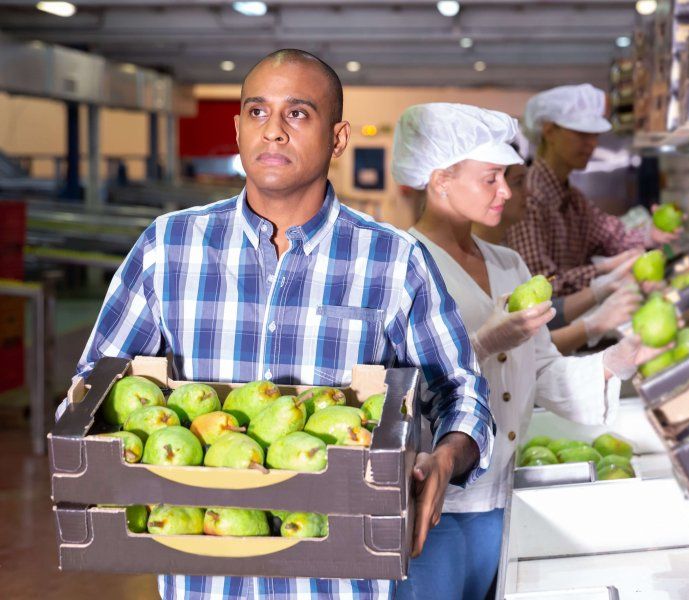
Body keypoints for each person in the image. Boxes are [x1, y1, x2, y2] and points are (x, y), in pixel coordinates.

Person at [71, 50, 495, 600]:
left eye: (297, 114)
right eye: (256, 112)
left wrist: (446, 456)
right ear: (238, 128)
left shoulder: (392, 259)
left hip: (340, 584)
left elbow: (461, 391)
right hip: (203, 580)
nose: (272, 131)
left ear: (338, 138)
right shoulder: (168, 247)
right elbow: (93, 384)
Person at [390, 103, 642, 600]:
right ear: (440, 179)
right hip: (432, 503)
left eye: (508, 177)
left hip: (506, 497)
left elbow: (543, 371)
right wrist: (484, 343)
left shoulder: (509, 265)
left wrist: (619, 360)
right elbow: (392, 391)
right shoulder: (400, 264)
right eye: (491, 179)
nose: (506, 191)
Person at [506, 84, 681, 296]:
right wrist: (603, 271)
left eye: (595, 135)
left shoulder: (572, 198)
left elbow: (611, 236)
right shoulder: (530, 198)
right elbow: (541, 286)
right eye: (582, 134)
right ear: (549, 131)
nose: (592, 144)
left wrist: (650, 235)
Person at [474, 162, 642, 354]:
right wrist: (594, 322)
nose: (527, 193)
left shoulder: (509, 260)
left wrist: (603, 287)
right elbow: (530, 348)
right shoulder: (464, 267)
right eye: (519, 182)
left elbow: (538, 334)